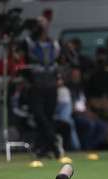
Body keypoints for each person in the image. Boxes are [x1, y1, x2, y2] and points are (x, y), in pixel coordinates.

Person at [22, 16, 63, 159]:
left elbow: (58, 63)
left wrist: (59, 78)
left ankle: (43, 149)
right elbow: (22, 62)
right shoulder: (28, 43)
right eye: (39, 24)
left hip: (51, 86)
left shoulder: (55, 44)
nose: (41, 27)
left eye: (44, 24)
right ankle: (54, 143)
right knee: (39, 116)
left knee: (49, 117)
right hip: (35, 86)